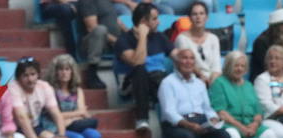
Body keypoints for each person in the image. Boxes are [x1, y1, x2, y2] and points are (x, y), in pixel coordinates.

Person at [158, 48, 231, 138]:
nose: (188, 61)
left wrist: (213, 119)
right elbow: (169, 112)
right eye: (184, 58)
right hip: (176, 125)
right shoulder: (168, 83)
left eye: (192, 58)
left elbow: (207, 109)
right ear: (177, 62)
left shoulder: (199, 84)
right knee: (187, 137)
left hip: (200, 122)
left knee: (224, 135)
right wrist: (189, 125)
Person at [114, 3, 174, 131]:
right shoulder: (123, 40)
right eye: (154, 19)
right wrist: (142, 36)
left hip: (156, 81)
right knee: (140, 69)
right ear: (143, 22)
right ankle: (142, 119)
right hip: (131, 85)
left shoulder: (160, 37)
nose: (158, 22)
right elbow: (138, 61)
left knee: (170, 78)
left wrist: (199, 72)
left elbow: (179, 56)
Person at [209, 51, 283, 138]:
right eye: (236, 66)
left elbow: (258, 111)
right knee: (234, 136)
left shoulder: (249, 85)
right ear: (228, 66)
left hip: (251, 125)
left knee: (269, 135)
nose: (239, 69)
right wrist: (241, 127)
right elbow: (221, 112)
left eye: (242, 66)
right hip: (230, 124)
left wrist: (255, 125)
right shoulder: (219, 83)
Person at [8, 57, 66, 138]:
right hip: (15, 128)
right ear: (18, 77)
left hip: (35, 126)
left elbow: (57, 114)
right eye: (25, 75)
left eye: (33, 74)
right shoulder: (13, 87)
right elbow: (21, 117)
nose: (30, 79)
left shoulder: (44, 87)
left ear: (38, 74)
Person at [44, 54, 102, 138]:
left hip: (75, 125)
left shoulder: (78, 91)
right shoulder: (49, 90)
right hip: (55, 127)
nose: (64, 73)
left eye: (67, 69)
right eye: (61, 69)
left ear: (72, 72)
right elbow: (55, 115)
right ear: (55, 72)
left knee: (94, 135)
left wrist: (70, 119)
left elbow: (84, 114)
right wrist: (78, 114)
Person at [75, 0, 121, 89]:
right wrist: (116, 41)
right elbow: (92, 28)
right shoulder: (87, 2)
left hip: (110, 43)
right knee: (100, 30)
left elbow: (117, 21)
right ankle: (92, 73)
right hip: (90, 43)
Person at [174, 1, 221, 86]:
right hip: (190, 79)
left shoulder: (213, 39)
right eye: (194, 14)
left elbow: (216, 67)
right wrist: (201, 77)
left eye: (201, 13)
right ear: (189, 18)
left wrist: (212, 82)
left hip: (212, 81)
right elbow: (186, 65)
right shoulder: (182, 39)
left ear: (207, 17)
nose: (198, 17)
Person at [249, 8, 283, 83]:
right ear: (280, 26)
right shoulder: (261, 42)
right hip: (264, 80)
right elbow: (268, 66)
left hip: (282, 76)